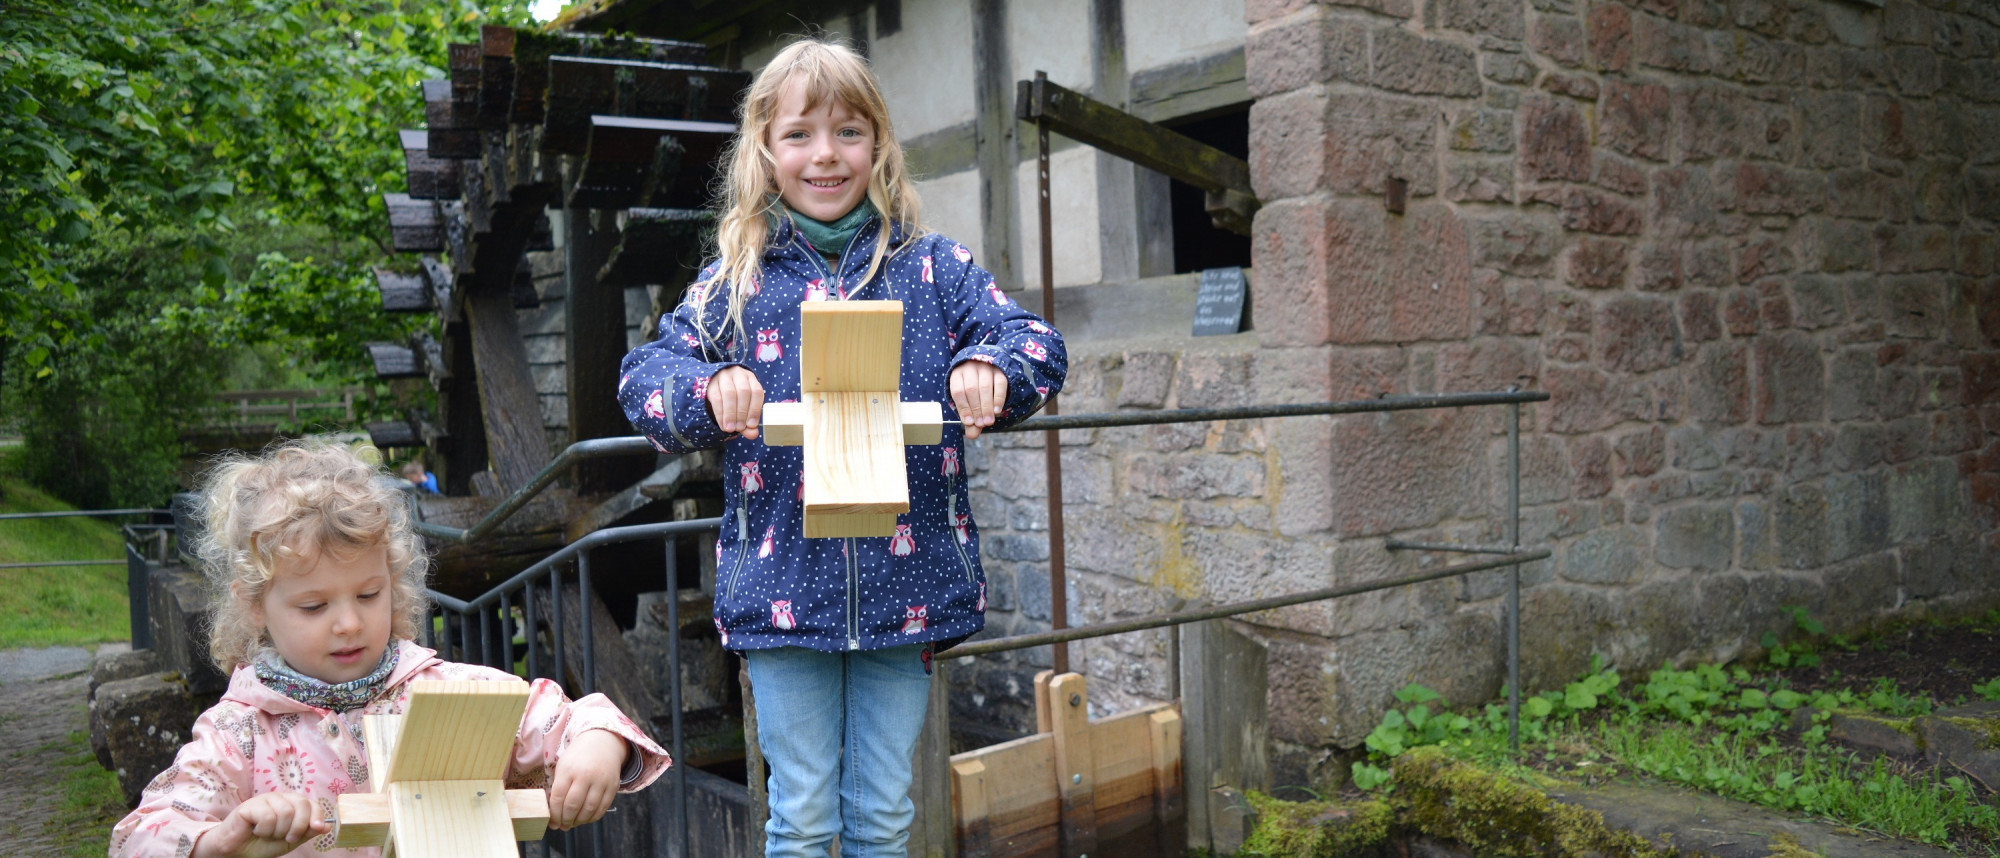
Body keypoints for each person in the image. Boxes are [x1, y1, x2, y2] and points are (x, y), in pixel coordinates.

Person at [617, 37, 1067, 858]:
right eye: (799, 134)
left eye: (848, 132)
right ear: (765, 151)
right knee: (801, 819)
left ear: (878, 144)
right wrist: (706, 389)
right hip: (783, 592)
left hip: (908, 588)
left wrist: (990, 367)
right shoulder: (735, 281)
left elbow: (1035, 341)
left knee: (884, 818)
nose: (825, 154)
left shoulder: (934, 269)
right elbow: (645, 377)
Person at [109, 439, 671, 858]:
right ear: (255, 605)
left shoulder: (449, 695)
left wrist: (598, 744)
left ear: (393, 581)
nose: (349, 623)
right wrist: (219, 842)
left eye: (368, 594)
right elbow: (140, 837)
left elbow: (566, 719)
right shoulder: (239, 733)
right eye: (314, 606)